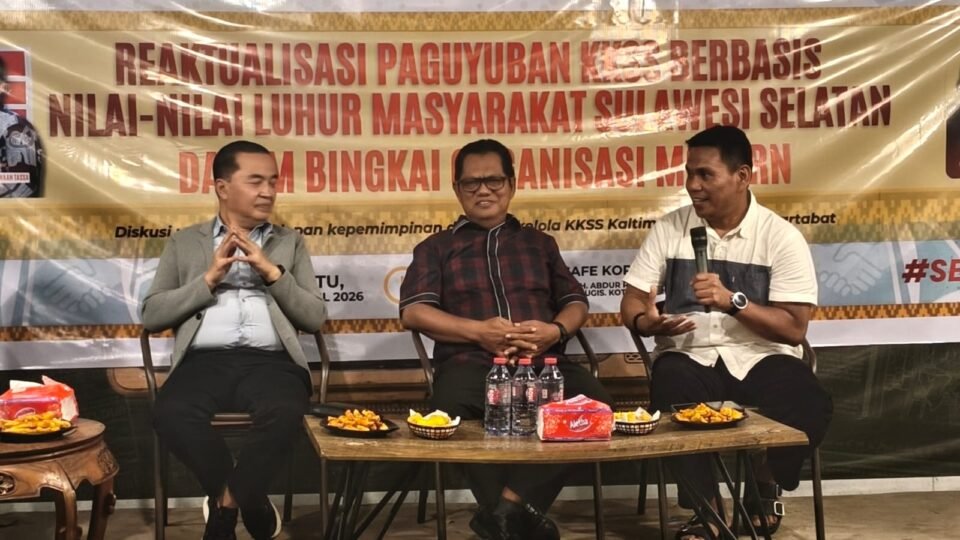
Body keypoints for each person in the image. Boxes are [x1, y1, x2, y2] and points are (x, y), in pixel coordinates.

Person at [619, 125, 832, 540]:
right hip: (690, 354)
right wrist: (647, 323)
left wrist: (734, 302)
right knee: (670, 385)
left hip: (760, 357)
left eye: (705, 174)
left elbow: (793, 329)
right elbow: (632, 302)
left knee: (810, 402)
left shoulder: (780, 236)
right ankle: (707, 511)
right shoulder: (670, 228)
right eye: (689, 174)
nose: (693, 185)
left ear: (742, 176)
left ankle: (764, 483)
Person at [399, 138, 612, 540]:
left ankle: (507, 509)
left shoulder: (539, 244)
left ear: (511, 185)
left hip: (543, 364)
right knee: (447, 409)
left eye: (494, 181)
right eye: (471, 183)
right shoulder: (436, 248)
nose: (483, 190)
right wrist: (478, 332)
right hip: (471, 364)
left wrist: (555, 331)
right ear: (457, 189)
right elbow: (414, 311)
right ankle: (516, 518)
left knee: (597, 408)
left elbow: (575, 302)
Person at [141, 140, 326, 540]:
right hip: (203, 363)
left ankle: (225, 507)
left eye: (273, 181)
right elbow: (152, 315)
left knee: (287, 410)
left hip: (271, 364)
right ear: (223, 188)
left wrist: (272, 272)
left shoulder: (289, 242)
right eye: (256, 181)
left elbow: (313, 317)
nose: (269, 191)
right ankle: (250, 498)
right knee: (170, 413)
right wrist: (208, 279)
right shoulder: (185, 242)